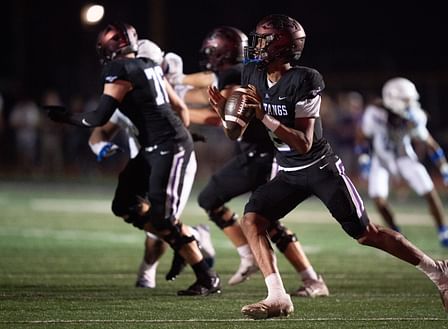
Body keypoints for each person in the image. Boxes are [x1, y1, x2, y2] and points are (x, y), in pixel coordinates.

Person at [208, 14, 448, 319]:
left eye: (264, 40)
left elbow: (304, 142)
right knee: (253, 219)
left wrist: (263, 115)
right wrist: (227, 115)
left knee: (366, 233)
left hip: (319, 168)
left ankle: (437, 271)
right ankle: (278, 297)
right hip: (288, 172)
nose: (256, 46)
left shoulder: (305, 79)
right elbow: (240, 131)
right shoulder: (252, 74)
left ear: (282, 47)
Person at [45, 22, 220, 296]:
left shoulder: (119, 69)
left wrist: (65, 116)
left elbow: (98, 117)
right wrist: (181, 131)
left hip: (168, 148)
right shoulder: (149, 67)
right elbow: (180, 108)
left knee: (163, 220)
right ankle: (185, 240)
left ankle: (206, 276)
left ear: (108, 47)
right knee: (124, 203)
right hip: (154, 148)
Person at [169, 26, 328, 297]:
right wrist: (179, 82)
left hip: (261, 156)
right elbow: (208, 79)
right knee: (265, 220)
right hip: (260, 154)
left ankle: (251, 256)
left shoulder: (238, 74)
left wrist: (177, 104)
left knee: (212, 200)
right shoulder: (243, 71)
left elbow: (221, 116)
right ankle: (311, 279)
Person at [88, 106, 216, 288]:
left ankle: (148, 272)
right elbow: (100, 130)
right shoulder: (122, 98)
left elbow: (187, 106)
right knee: (126, 206)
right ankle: (194, 234)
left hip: (173, 163)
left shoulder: (162, 90)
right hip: (142, 167)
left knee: (161, 224)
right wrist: (101, 146)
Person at [356, 78, 448, 254]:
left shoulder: (414, 117)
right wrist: (364, 159)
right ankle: (397, 234)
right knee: (378, 198)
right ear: (392, 99)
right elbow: (361, 136)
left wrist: (446, 171)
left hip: (404, 156)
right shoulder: (375, 114)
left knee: (429, 192)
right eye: (406, 100)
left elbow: (430, 144)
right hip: (382, 159)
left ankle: (445, 235)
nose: (411, 104)